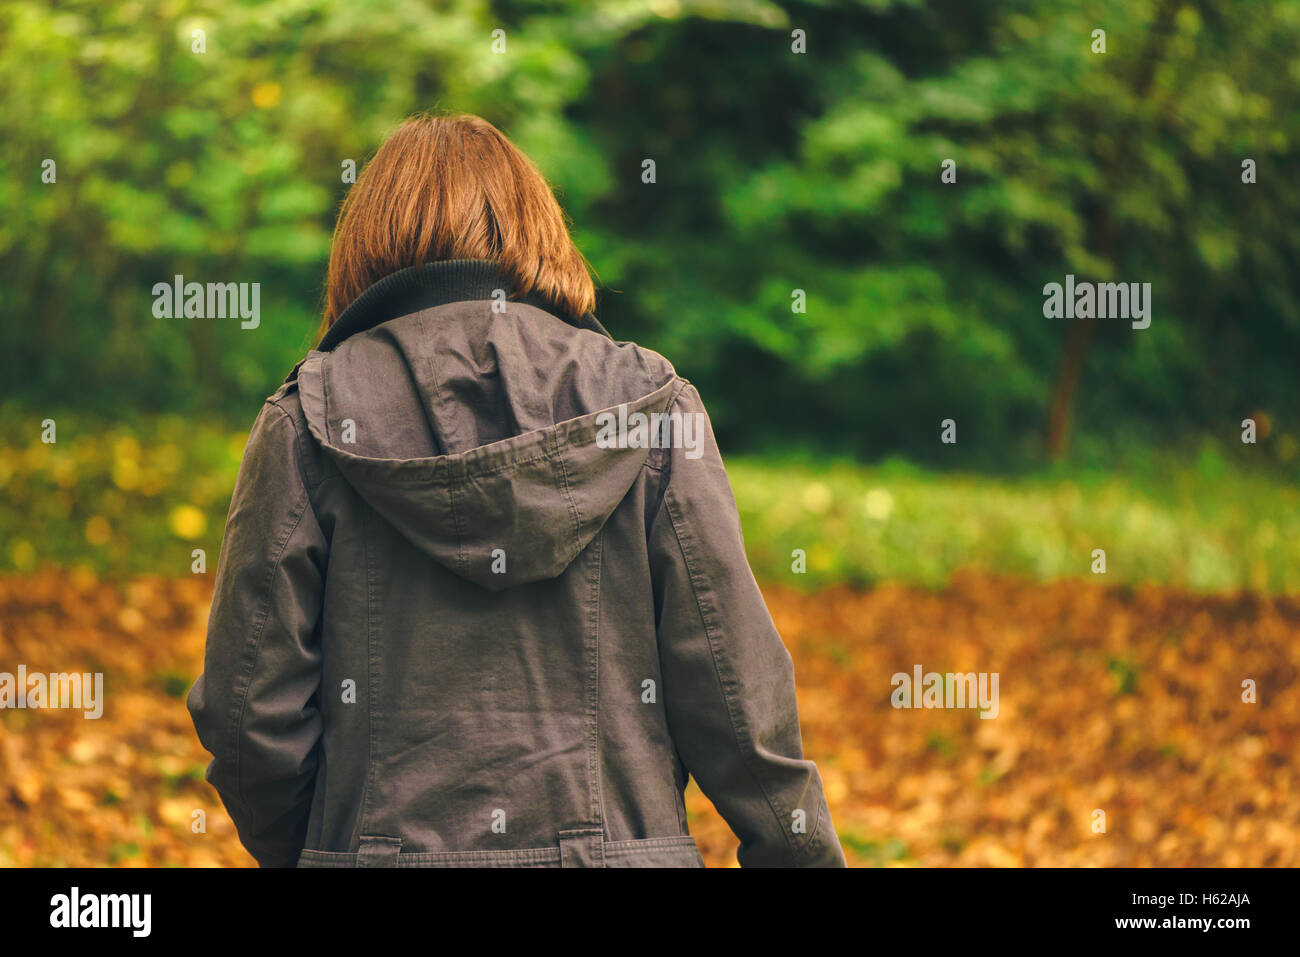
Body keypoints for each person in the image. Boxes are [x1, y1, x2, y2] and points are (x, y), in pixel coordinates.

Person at [187, 111, 845, 868]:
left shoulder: (306, 419)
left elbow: (249, 723)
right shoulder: (652, 407)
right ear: (538, 229)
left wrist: (327, 845)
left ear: (364, 245)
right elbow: (739, 704)